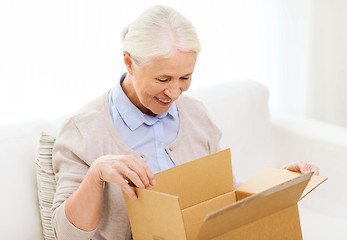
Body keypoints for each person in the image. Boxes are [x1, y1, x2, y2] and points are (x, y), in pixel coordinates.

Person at [51, 5, 319, 240]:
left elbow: (225, 200)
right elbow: (66, 235)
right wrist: (96, 174)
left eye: (185, 78)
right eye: (163, 79)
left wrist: (280, 183)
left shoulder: (196, 115)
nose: (175, 93)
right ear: (129, 63)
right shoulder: (83, 131)